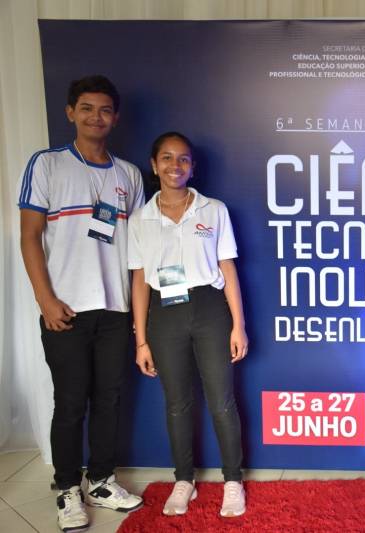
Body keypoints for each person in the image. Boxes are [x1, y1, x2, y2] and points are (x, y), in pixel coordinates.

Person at [18, 75, 144, 532]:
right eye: (87, 108)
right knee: (71, 401)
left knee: (109, 398)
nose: (96, 117)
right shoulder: (47, 164)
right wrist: (46, 300)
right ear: (70, 112)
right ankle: (68, 486)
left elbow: (139, 250)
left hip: (115, 309)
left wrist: (138, 313)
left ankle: (102, 481)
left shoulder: (129, 174)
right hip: (65, 309)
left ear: (116, 117)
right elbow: (30, 236)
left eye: (105, 110)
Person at [128, 131, 248, 517]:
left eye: (183, 159)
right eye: (166, 158)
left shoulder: (214, 210)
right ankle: (184, 480)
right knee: (177, 402)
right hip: (164, 312)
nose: (175, 166)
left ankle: (233, 481)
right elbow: (139, 279)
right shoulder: (140, 219)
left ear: (193, 167)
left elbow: (227, 267)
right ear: (154, 165)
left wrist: (238, 325)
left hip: (210, 308)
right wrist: (141, 340)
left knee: (221, 400)